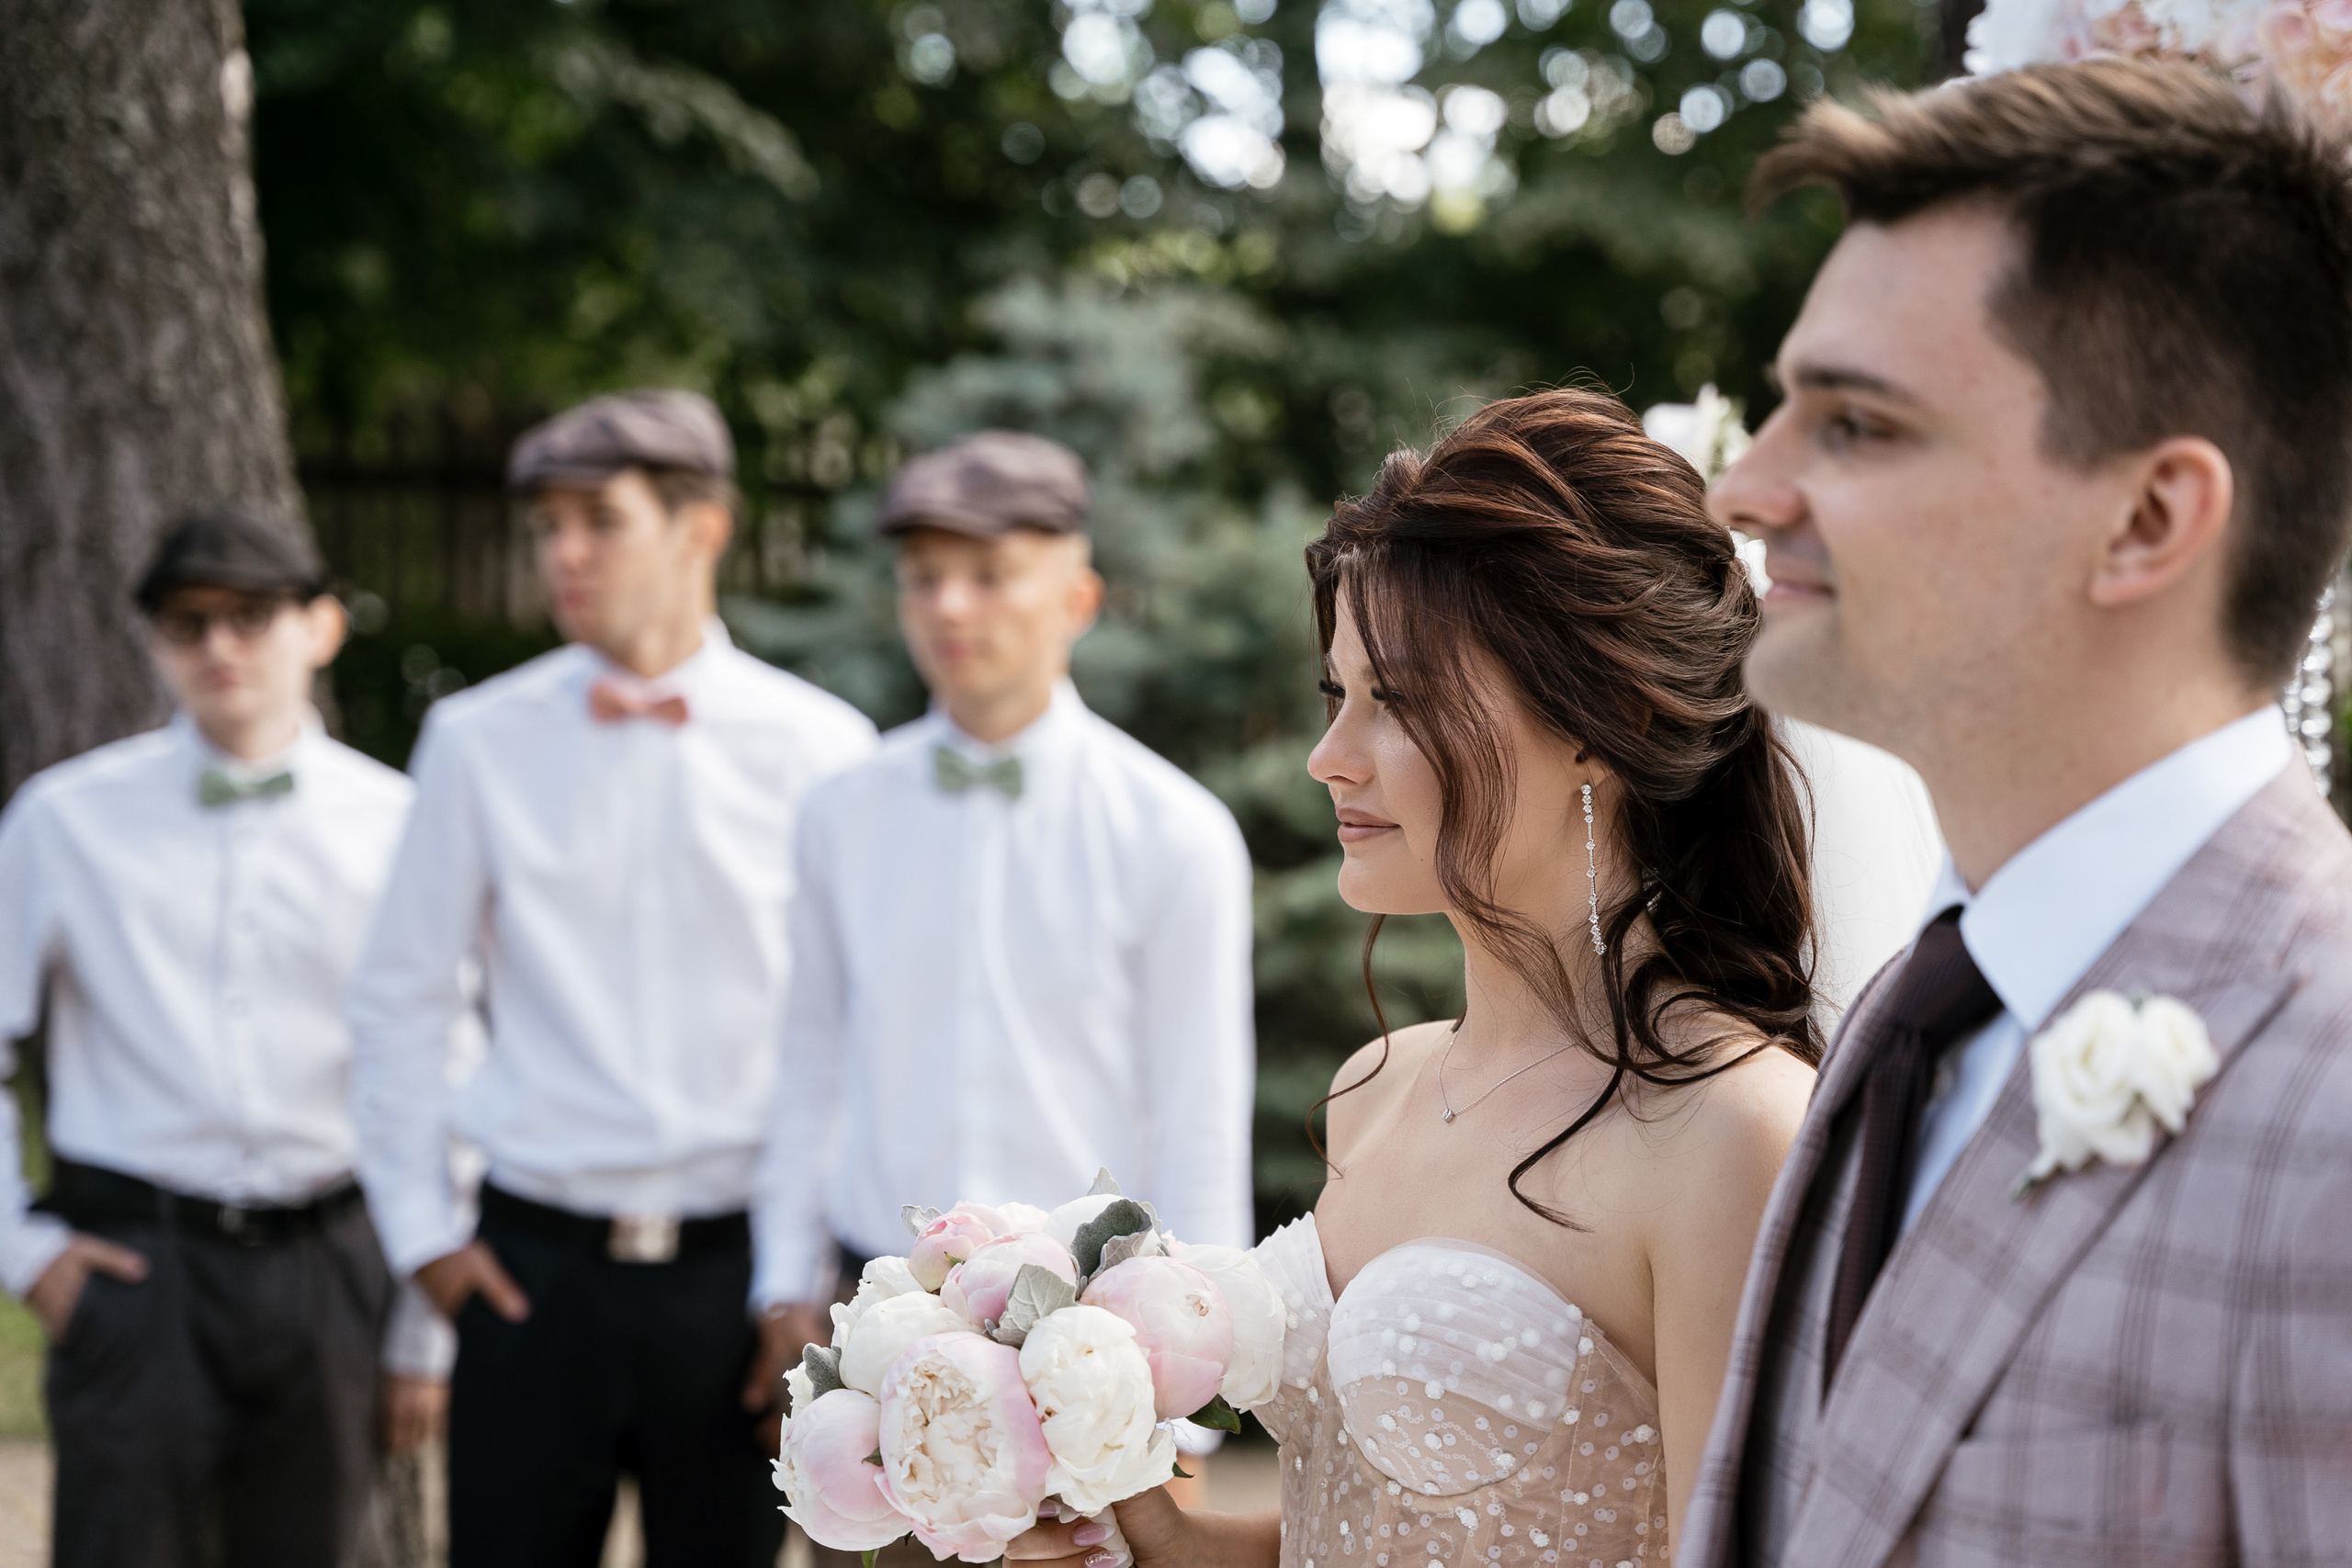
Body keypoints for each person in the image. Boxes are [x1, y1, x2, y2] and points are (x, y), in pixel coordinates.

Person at [1675, 61, 2352, 1566]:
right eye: (1785, 407)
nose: (1749, 485)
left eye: (1857, 424)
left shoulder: (2330, 1094)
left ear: (2148, 520)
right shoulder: (1918, 1009)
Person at [1013, 388, 1823, 1568]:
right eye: (1337, 694)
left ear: (1600, 724)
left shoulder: (1730, 1129)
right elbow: (1360, 1534)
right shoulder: (1376, 1085)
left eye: (1397, 701)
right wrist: (1143, 1534)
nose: (1327, 757)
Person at [346, 389, 877, 1568]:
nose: (562, 553)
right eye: (547, 527)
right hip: (530, 1277)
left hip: (739, 1280)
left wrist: (799, 1281)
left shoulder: (824, 749)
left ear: (703, 528)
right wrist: (422, 1236)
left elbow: (844, 1035)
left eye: (598, 520)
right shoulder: (477, 740)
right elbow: (397, 1000)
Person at [754, 430, 1256, 1558]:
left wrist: (1187, 1419)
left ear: (1076, 595)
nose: (948, 605)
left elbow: (1199, 1119)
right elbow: (808, 1059)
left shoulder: (1173, 832)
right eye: (924, 576)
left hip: (1089, 1356)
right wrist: (783, 1278)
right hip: (880, 1345)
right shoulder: (840, 812)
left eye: (987, 574)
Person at [0, 507, 447, 1567]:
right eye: (187, 623)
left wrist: (424, 1326)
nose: (219, 648)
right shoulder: (64, 820)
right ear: (155, 640)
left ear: (322, 627)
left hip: (335, 1269)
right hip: (133, 1272)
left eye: (251, 617)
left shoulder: (402, 824)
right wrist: (25, 1254)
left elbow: (445, 1069)